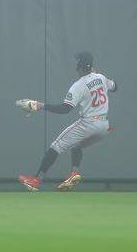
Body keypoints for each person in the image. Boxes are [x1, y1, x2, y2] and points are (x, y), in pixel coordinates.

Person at [18, 51, 117, 191]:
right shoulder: (101, 77)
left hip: (88, 124)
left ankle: (35, 180)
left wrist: (41, 106)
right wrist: (97, 77)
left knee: (56, 146)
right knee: (77, 146)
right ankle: (74, 173)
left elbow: (65, 109)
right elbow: (115, 87)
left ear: (80, 66)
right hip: (104, 126)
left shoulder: (79, 85)